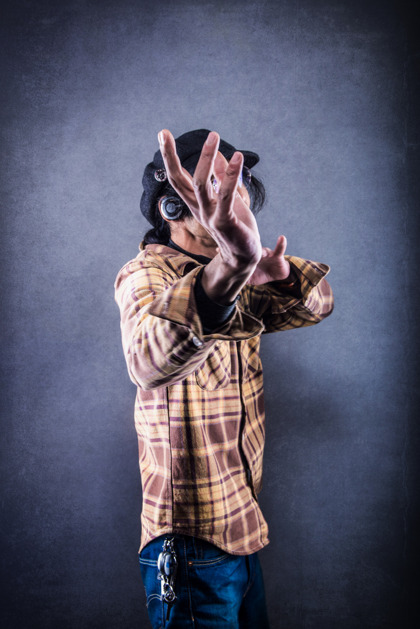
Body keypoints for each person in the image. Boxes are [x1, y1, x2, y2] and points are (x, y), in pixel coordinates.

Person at [115, 128, 334, 628]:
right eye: (213, 185)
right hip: (190, 545)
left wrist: (275, 275)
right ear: (172, 207)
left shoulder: (238, 274)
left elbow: (319, 304)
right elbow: (146, 361)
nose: (233, 196)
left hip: (243, 527)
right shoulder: (145, 275)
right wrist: (224, 277)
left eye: (238, 184)